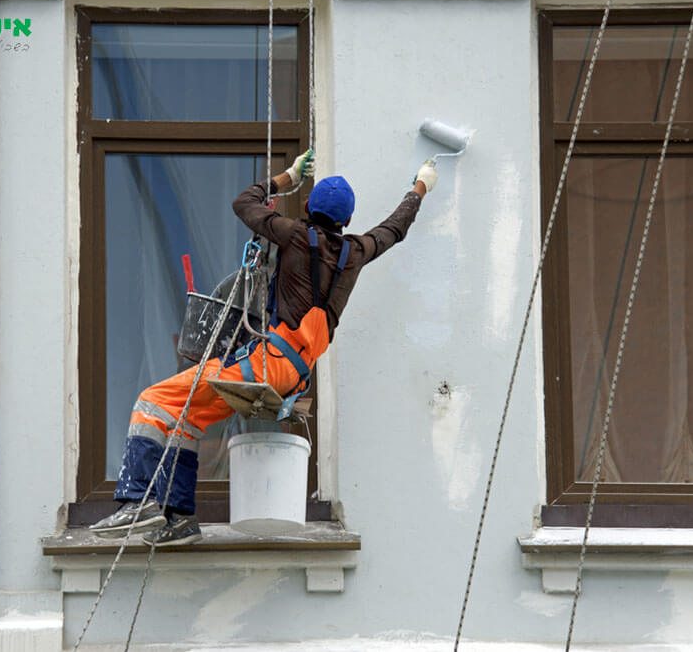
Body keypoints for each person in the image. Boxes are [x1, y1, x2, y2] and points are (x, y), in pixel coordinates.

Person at [90, 151, 439, 545]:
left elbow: (243, 203)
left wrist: (286, 178)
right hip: (294, 375)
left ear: (308, 207)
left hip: (265, 364)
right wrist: (420, 188)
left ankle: (138, 500)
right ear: (347, 221)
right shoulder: (355, 252)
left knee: (153, 400)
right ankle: (181, 518)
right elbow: (394, 229)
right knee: (187, 418)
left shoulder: (292, 234)